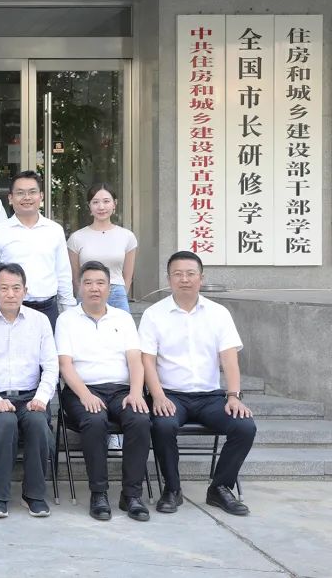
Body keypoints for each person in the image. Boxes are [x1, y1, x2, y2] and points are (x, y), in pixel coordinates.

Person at [141, 251, 255, 516]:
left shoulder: (218, 313)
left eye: (190, 274)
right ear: (169, 279)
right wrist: (158, 396)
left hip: (210, 397)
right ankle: (172, 489)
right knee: (163, 424)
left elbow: (229, 359)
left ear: (201, 278)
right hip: (170, 395)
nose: (184, 279)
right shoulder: (154, 314)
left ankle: (220, 488)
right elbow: (147, 360)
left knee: (245, 426)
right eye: (178, 274)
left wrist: (233, 396)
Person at [56, 261, 151, 522]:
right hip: (82, 391)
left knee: (140, 419)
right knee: (95, 420)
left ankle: (132, 495)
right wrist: (85, 395)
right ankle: (99, 493)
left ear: (109, 288)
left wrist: (136, 392)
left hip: (121, 390)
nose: (94, 288)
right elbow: (65, 365)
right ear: (79, 287)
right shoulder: (66, 320)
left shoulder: (123, 318)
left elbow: (135, 360)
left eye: (100, 283)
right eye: (88, 283)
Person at [0, 262, 58, 519]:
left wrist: (41, 398)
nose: (10, 294)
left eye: (16, 288)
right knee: (5, 421)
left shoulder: (40, 321)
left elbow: (51, 366)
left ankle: (34, 495)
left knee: (38, 422)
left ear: (25, 291)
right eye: (4, 288)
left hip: (29, 397)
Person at [0, 170, 76, 329]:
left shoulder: (54, 230)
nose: (27, 197)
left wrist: (68, 309)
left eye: (32, 192)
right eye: (20, 193)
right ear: (10, 198)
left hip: (47, 309)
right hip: (10, 309)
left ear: (41, 196)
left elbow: (63, 273)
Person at [67, 184, 138, 312]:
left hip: (117, 294)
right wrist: (82, 292)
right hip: (87, 294)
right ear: (89, 205)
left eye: (106, 201)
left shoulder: (127, 236)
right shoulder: (76, 237)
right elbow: (75, 276)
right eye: (95, 202)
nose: (101, 207)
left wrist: (122, 293)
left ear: (114, 204)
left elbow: (128, 275)